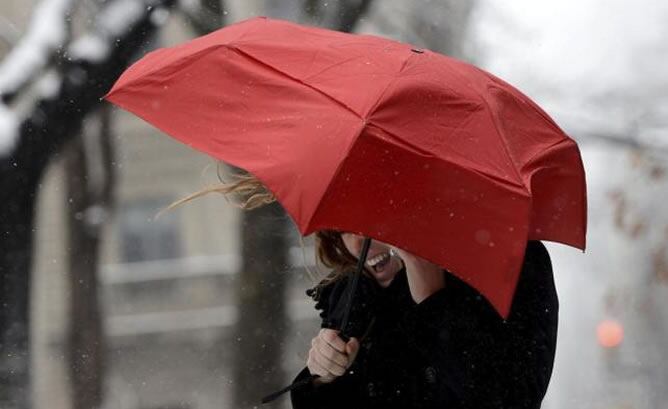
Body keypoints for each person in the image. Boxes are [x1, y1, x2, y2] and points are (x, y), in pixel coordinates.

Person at [173, 171, 559, 409]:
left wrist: (430, 294)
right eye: (346, 224)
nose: (360, 244)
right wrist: (322, 379)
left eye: (378, 217)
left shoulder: (511, 262)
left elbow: (511, 397)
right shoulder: (352, 298)